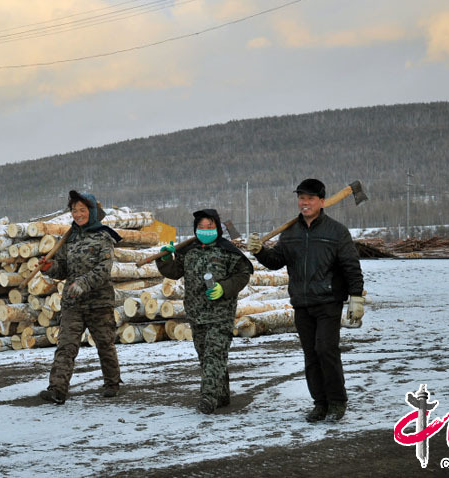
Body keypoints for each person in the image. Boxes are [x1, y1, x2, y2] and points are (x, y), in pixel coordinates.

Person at [247, 178, 365, 423]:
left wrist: (356, 297)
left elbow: (351, 266)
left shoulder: (336, 231)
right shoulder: (291, 233)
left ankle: (336, 402)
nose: (305, 202)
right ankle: (319, 404)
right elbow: (276, 261)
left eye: (310, 198)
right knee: (311, 355)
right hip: (301, 302)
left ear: (322, 202)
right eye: (301, 198)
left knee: (326, 350)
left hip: (328, 301)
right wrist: (260, 251)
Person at [156, 208, 253, 414]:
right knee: (205, 356)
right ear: (195, 229)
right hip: (196, 314)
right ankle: (222, 394)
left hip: (221, 314)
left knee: (214, 355)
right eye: (201, 227)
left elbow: (243, 274)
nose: (205, 230)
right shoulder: (188, 251)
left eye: (210, 226)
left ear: (217, 228)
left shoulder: (227, 250)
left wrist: (224, 288)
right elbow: (174, 272)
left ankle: (208, 399)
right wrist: (165, 259)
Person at [38, 190, 123, 404]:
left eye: (82, 210)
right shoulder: (69, 238)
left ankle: (112, 383)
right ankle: (57, 389)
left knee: (105, 344)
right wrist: (49, 267)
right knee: (66, 346)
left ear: (92, 211)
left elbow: (104, 269)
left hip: (99, 302)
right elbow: (63, 269)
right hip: (73, 303)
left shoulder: (103, 236)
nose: (77, 214)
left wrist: (83, 283)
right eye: (74, 210)